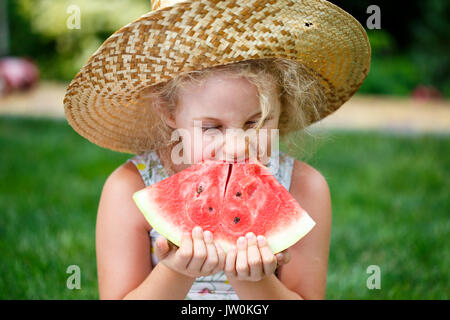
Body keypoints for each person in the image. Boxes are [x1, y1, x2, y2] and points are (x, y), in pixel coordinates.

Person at [64, 0, 371, 300]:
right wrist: (177, 271)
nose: (237, 147)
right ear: (168, 111)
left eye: (256, 122)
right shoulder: (128, 189)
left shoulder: (305, 189)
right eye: (212, 128)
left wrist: (253, 281)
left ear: (283, 105)